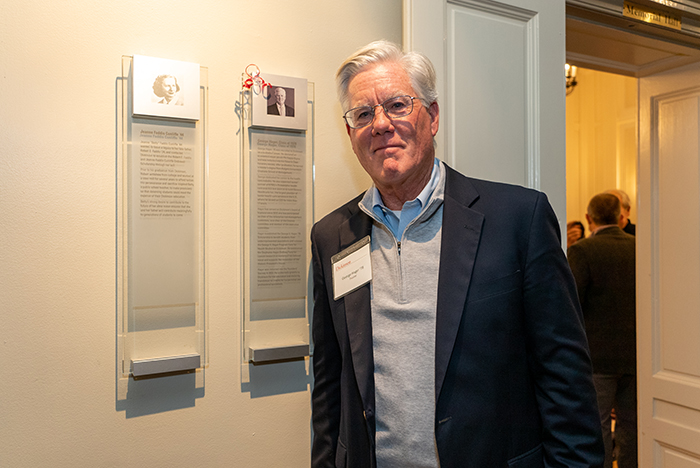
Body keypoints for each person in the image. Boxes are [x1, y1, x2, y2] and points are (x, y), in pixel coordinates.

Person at [310, 40, 604, 468]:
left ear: (432, 116)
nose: (380, 124)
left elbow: (566, 382)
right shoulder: (332, 237)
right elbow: (329, 387)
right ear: (351, 134)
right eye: (362, 114)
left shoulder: (518, 220)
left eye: (396, 105)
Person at [567, 193, 637, 468]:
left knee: (598, 425)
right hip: (635, 352)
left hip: (597, 355)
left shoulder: (582, 251)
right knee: (632, 426)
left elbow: (572, 303)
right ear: (621, 215)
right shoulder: (638, 247)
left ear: (588, 217)